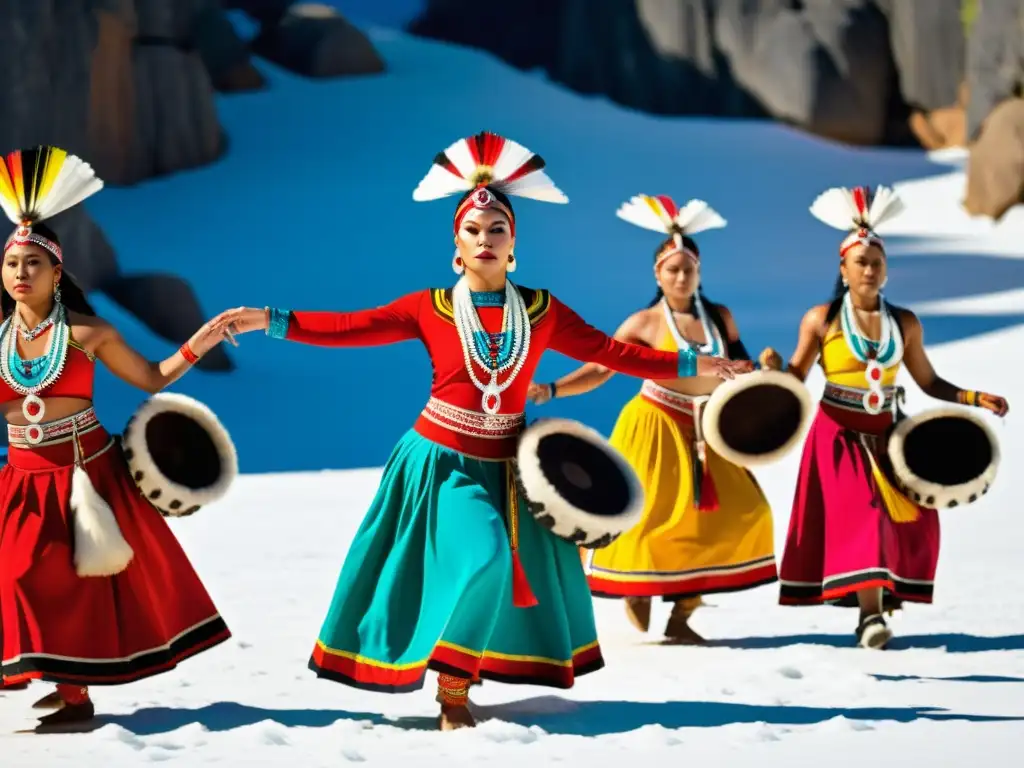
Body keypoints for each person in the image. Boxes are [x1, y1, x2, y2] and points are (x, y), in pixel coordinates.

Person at [210, 132, 752, 731]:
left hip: (509, 466)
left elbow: (611, 352)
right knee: (487, 553)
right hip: (441, 462)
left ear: (514, 243)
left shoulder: (542, 311)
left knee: (495, 561)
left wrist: (693, 363)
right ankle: (453, 686)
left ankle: (455, 686)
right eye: (474, 230)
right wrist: (271, 319)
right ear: (457, 246)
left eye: (497, 229)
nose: (485, 240)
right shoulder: (430, 306)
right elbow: (349, 327)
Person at [0, 146, 233, 727]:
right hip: (23, 477)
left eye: (33, 263)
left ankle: (75, 696)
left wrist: (196, 343)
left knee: (73, 583)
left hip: (85, 474)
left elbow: (152, 377)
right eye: (11, 264)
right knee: (20, 575)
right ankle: (64, 686)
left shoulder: (89, 332)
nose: (20, 274)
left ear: (57, 272)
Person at [762, 184, 1009, 649]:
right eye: (861, 262)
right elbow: (795, 376)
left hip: (890, 434)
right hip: (837, 436)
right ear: (844, 268)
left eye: (878, 262)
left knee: (907, 521)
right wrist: (773, 371)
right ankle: (870, 618)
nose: (870, 269)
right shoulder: (822, 319)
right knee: (868, 516)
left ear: (887, 269)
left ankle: (876, 599)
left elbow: (928, 382)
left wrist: (976, 398)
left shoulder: (907, 322)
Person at [527, 194, 777, 644]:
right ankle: (636, 587)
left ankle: (683, 613)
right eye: (672, 269)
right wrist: (553, 388)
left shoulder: (720, 317)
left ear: (699, 273)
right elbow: (602, 366)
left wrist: (765, 370)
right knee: (641, 520)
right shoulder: (642, 323)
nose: (682, 277)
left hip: (707, 429)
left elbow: (738, 367)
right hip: (654, 425)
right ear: (657, 274)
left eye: (689, 269)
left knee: (744, 513)